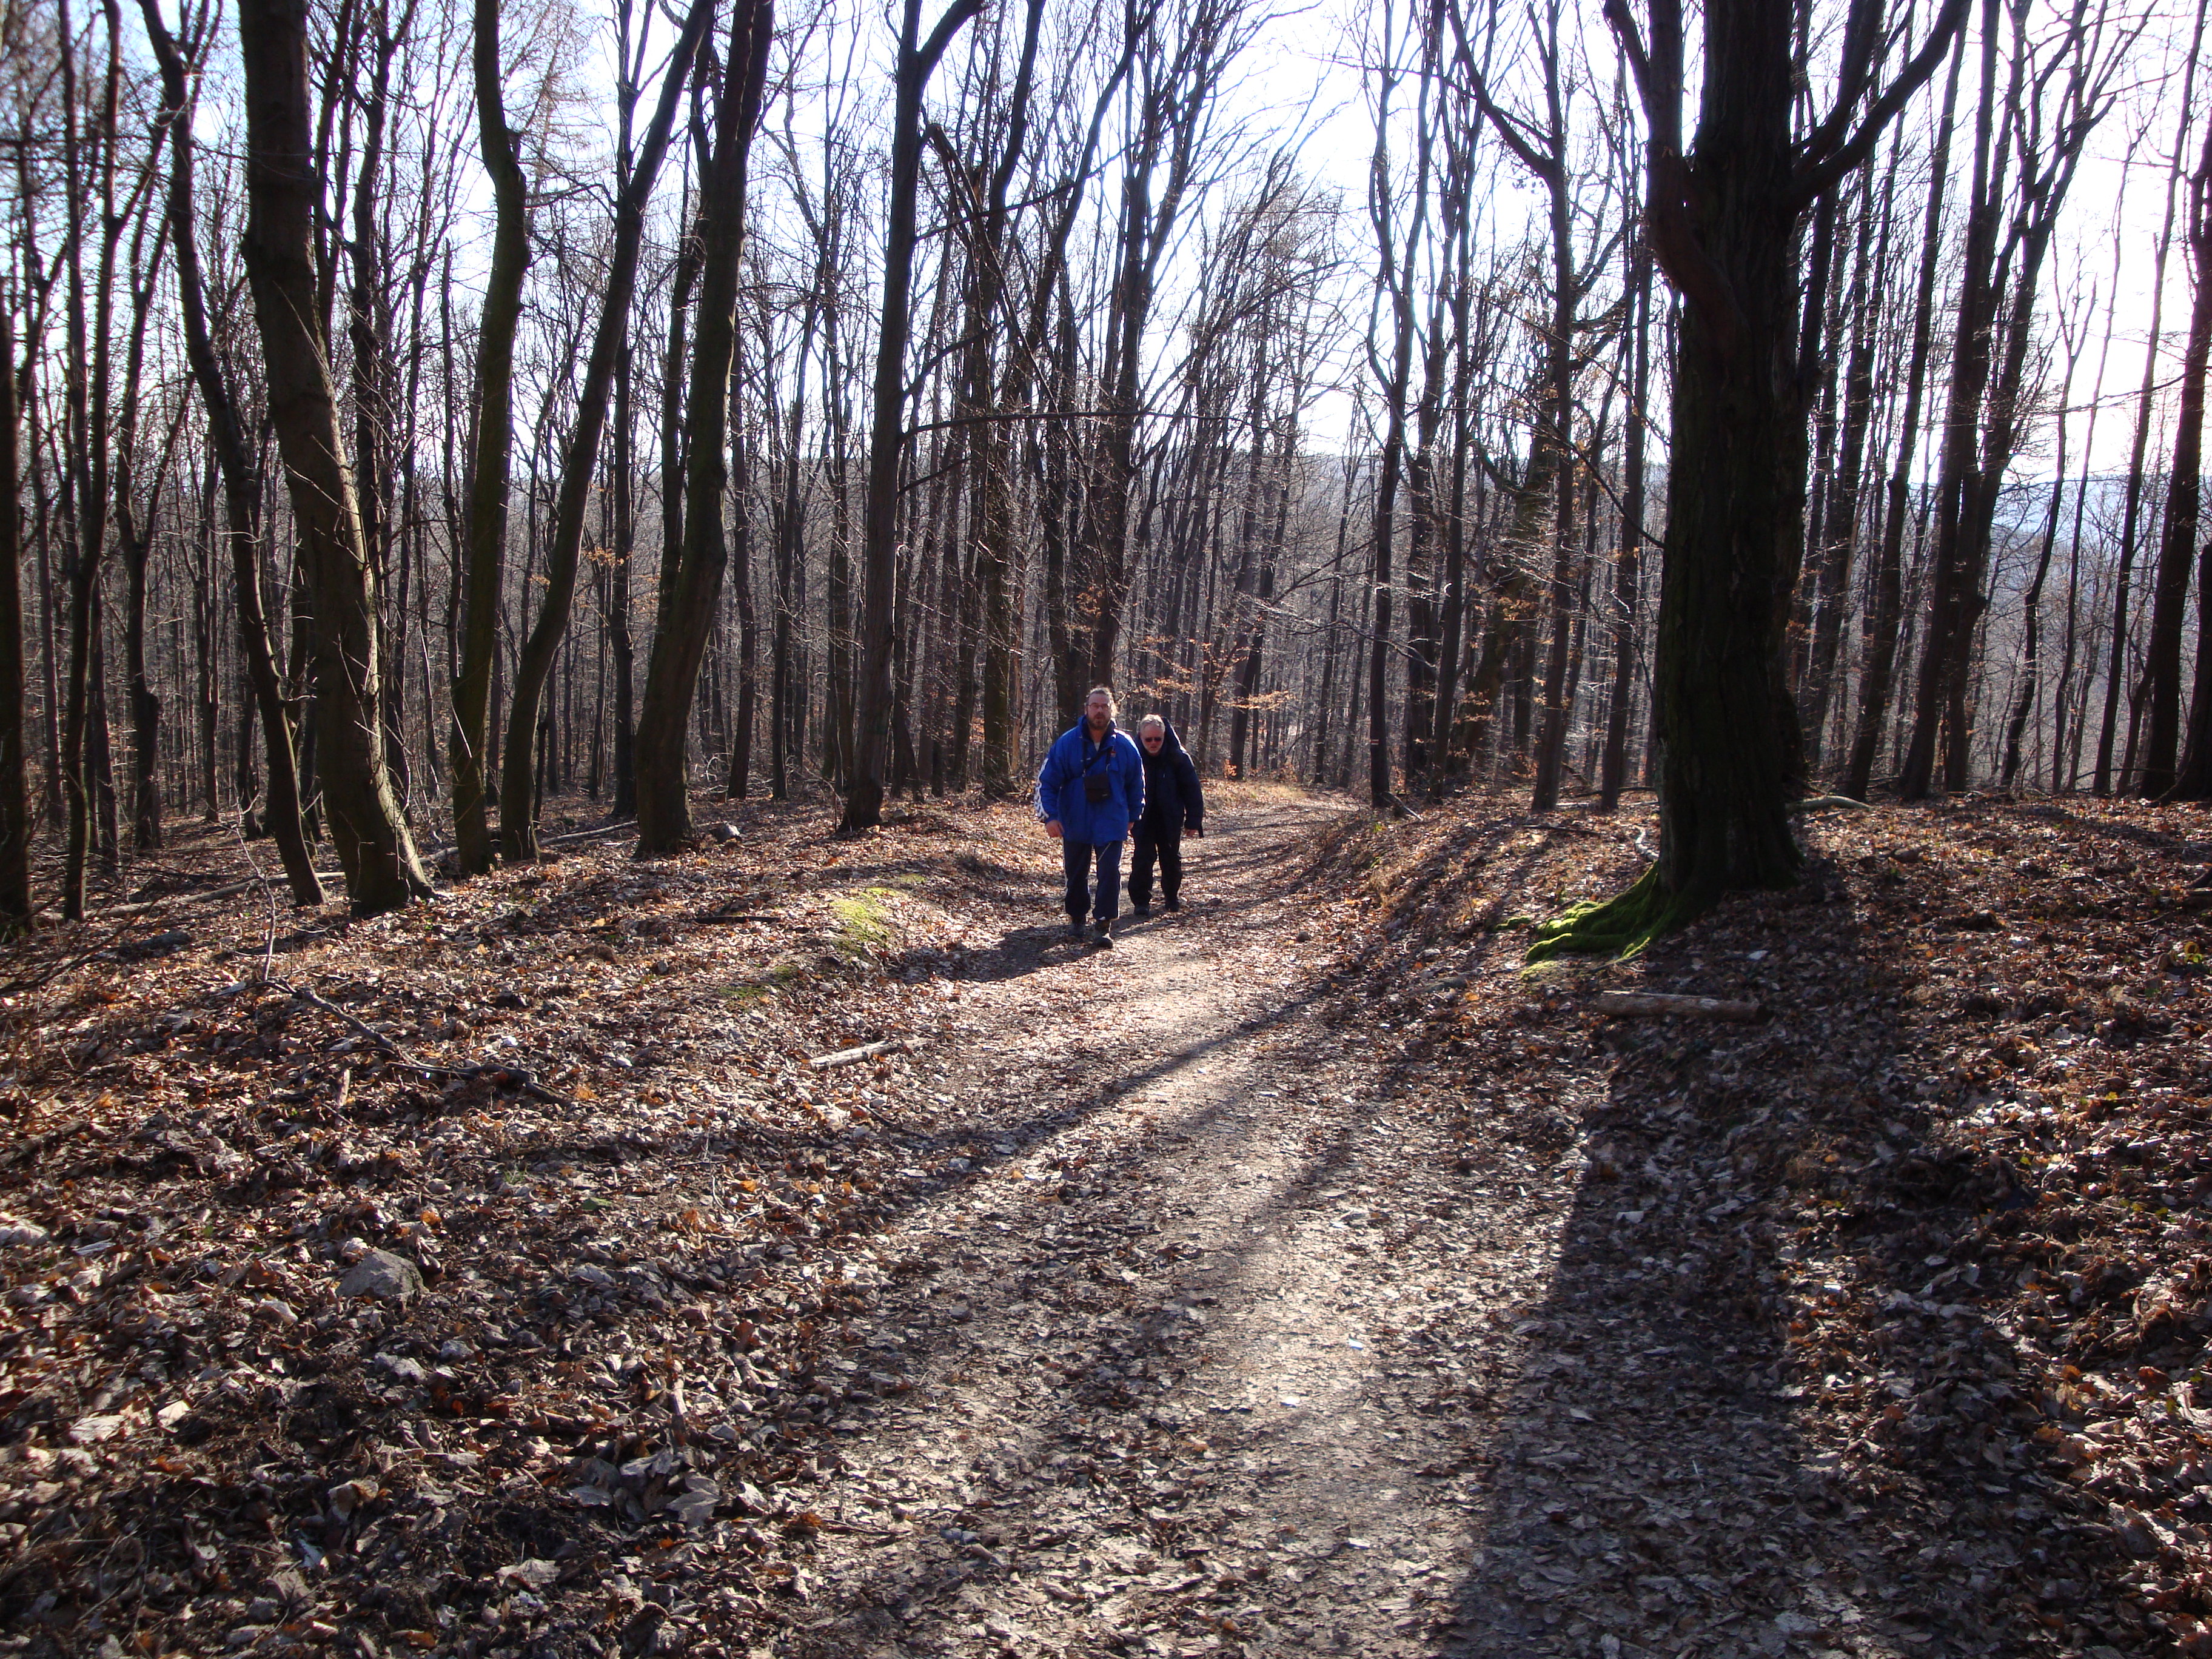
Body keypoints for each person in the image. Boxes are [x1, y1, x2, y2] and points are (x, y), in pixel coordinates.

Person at [1036, 686, 1146, 948]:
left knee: (1109, 873)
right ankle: (1077, 919)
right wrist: (1050, 817)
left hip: (1112, 820)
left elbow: (1137, 782)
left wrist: (1133, 815)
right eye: (1095, 706)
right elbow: (1047, 782)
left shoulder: (1125, 745)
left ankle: (1103, 925)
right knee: (1076, 874)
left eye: (1104, 706)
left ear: (1112, 710)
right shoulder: (1067, 743)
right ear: (1086, 709)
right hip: (1075, 820)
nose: (1099, 711)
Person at [1129, 714, 1203, 916]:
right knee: (1142, 858)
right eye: (1149, 739)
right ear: (1141, 737)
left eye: (1158, 739)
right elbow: (1121, 788)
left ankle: (1171, 897)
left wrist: (1194, 821)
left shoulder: (1178, 757)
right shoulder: (1132, 756)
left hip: (1170, 817)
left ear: (1164, 737)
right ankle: (1141, 901)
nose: (1153, 743)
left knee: (1171, 859)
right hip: (1142, 818)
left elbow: (1192, 790)